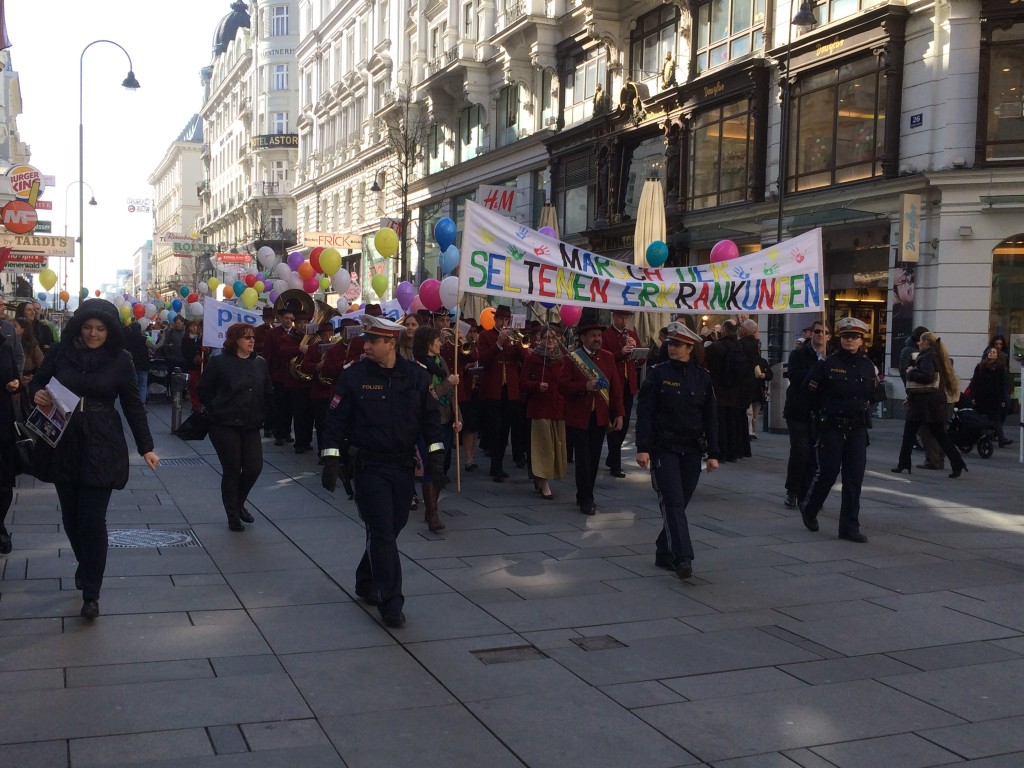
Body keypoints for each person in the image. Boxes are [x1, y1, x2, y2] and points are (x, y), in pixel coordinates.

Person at [30, 299, 159, 619]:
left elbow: (133, 405)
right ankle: (86, 564)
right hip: (63, 437)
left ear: (110, 330)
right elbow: (38, 380)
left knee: (92, 518)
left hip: (103, 441)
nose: (92, 333)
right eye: (87, 327)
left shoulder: (122, 359)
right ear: (79, 327)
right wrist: (38, 392)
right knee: (72, 518)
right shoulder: (60, 352)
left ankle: (92, 592)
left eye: (100, 329)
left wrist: (146, 447)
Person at [321, 315, 445, 629]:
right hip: (369, 466)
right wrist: (331, 460)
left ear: (390, 343)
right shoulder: (353, 375)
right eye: (366, 340)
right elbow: (335, 421)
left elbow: (431, 421)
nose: (365, 345)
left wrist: (436, 459)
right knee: (382, 532)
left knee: (393, 527)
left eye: (372, 341)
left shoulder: (416, 376)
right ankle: (391, 603)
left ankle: (366, 578)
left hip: (403, 465)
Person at [636, 322, 719, 579]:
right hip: (664, 447)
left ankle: (663, 549)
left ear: (690, 347)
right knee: (672, 501)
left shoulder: (703, 377)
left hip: (692, 448)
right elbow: (645, 413)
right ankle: (682, 557)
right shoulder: (658, 374)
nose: (672, 348)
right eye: (670, 344)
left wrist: (714, 452)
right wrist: (643, 448)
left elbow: (711, 418)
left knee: (680, 503)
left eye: (678, 345)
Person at [799, 317, 884, 543]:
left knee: (854, 477)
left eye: (854, 337)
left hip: (857, 428)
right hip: (832, 427)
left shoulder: (867, 365)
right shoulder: (827, 363)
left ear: (861, 340)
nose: (850, 340)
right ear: (840, 338)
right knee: (828, 473)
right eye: (846, 336)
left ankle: (849, 526)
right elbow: (807, 391)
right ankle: (810, 508)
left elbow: (877, 393)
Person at [199, 323, 274, 531]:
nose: (252, 340)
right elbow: (204, 390)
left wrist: (264, 413)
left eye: (253, 337)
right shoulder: (219, 362)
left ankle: (239, 502)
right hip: (224, 424)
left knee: (253, 468)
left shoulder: (260, 363)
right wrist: (216, 407)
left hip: (250, 424)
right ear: (235, 341)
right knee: (232, 468)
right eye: (246, 337)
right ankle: (232, 515)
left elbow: (268, 390)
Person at [558, 310, 623, 516]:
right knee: (583, 459)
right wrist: (583, 386)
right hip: (579, 416)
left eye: (599, 335)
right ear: (583, 338)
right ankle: (586, 497)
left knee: (594, 458)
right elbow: (562, 385)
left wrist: (619, 413)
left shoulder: (608, 357)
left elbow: (616, 388)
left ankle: (586, 493)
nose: (597, 339)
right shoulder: (572, 358)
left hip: (600, 416)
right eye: (593, 335)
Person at [893, 331, 969, 478]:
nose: (918, 343)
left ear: (926, 343)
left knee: (909, 435)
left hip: (923, 405)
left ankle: (903, 463)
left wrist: (910, 372)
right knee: (940, 435)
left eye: (920, 341)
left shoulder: (927, 357)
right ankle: (957, 462)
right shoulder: (938, 356)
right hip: (932, 404)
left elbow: (926, 377)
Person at [413, 325, 459, 532]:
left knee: (440, 466)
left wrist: (458, 417)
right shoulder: (418, 366)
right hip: (427, 424)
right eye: (437, 340)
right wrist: (448, 383)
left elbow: (453, 395)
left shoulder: (442, 363)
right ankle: (433, 514)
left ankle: (431, 506)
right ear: (427, 343)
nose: (441, 343)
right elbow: (429, 396)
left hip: (445, 421)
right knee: (431, 466)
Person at [476, 304, 527, 482]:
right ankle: (495, 467)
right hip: (493, 389)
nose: (504, 323)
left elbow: (525, 358)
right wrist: (498, 343)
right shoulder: (485, 336)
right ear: (495, 320)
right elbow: (482, 359)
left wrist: (519, 344)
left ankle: (498, 466)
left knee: (505, 429)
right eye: (501, 319)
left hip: (510, 390)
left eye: (507, 320)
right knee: (494, 429)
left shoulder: (513, 338)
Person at [519, 326, 567, 499]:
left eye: (554, 337)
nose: (551, 341)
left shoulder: (563, 359)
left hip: (557, 407)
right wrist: (536, 386)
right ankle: (544, 482)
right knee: (543, 446)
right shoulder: (533, 358)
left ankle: (540, 477)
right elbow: (522, 382)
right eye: (547, 337)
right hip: (539, 407)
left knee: (555, 446)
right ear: (540, 339)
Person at [705, 320, 752, 461]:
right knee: (732, 421)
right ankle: (733, 452)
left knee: (719, 421)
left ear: (724, 329)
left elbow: (705, 359)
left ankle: (721, 452)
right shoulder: (740, 346)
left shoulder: (716, 347)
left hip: (718, 388)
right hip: (735, 388)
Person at [603, 309, 642, 478]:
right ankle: (615, 464)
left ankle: (612, 457)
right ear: (614, 317)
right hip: (613, 384)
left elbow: (641, 359)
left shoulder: (632, 333)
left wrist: (637, 350)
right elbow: (604, 358)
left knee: (625, 424)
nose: (624, 321)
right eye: (621, 317)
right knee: (615, 424)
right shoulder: (605, 335)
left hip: (629, 384)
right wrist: (621, 352)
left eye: (626, 318)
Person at [898, 325, 944, 470]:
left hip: (923, 396)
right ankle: (939, 459)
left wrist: (910, 377)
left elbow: (907, 372)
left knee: (923, 429)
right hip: (935, 396)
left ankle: (932, 460)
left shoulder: (925, 354)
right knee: (935, 430)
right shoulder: (937, 352)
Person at [0, 330, 21, 555]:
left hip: (2, 423)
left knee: (5, 482)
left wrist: (15, 383)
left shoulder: (4, 346)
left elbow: (14, 375)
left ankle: (0, 525)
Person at [970, 346, 1013, 447]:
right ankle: (987, 434)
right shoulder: (980, 366)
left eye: (994, 352)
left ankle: (1000, 438)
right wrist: (973, 396)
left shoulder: (1000, 368)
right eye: (990, 352)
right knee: (982, 417)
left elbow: (1001, 384)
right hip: (981, 397)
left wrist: (1002, 399)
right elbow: (975, 382)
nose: (991, 353)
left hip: (994, 397)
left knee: (996, 418)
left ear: (997, 355)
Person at [123, 321, 156, 405]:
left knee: (132, 385)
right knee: (142, 385)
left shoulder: (126, 339)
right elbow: (154, 347)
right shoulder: (144, 339)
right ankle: (141, 404)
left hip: (130, 365)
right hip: (143, 364)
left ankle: (132, 402)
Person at [0, 293, 25, 378]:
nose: (4, 308)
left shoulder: (9, 327)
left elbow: (19, 355)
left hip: (7, 385)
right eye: (0, 305)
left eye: (3, 305)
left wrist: (16, 378)